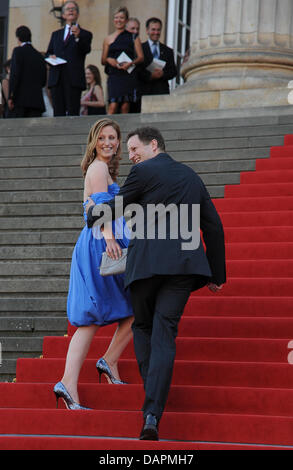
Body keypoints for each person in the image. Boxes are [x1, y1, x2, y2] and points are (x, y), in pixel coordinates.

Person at [86, 126, 226, 440]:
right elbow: (213, 227)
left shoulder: (143, 173)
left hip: (145, 266)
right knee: (164, 333)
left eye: (134, 150)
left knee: (144, 328)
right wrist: (217, 275)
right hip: (182, 267)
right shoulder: (191, 176)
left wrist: (93, 213)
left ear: (153, 145)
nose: (131, 156)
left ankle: (152, 408)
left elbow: (116, 208)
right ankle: (152, 411)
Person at [53, 118, 134, 410]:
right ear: (94, 141)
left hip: (100, 241)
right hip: (102, 243)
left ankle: (107, 362)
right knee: (93, 316)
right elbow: (100, 207)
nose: (108, 142)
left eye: (113, 138)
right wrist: (111, 237)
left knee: (133, 306)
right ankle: (69, 382)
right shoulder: (98, 168)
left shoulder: (102, 169)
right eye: (103, 138)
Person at [46, 1, 92, 116]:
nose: (71, 10)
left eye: (74, 9)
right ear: (63, 15)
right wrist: (50, 56)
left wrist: (78, 37)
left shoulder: (85, 34)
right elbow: (48, 53)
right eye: (68, 9)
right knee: (58, 113)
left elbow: (86, 50)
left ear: (77, 14)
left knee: (72, 112)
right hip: (57, 77)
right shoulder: (55, 34)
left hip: (73, 78)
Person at [101, 6, 143, 114]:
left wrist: (130, 63)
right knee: (113, 106)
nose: (118, 20)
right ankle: (107, 128)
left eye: (121, 18)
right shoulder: (107, 39)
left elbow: (141, 57)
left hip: (127, 75)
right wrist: (109, 60)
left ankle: (123, 130)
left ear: (126, 20)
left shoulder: (134, 37)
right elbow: (103, 60)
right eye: (116, 17)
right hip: (114, 75)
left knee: (125, 106)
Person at [8, 26, 46, 118]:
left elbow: (15, 75)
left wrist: (11, 96)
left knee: (19, 129)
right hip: (37, 101)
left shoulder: (18, 51)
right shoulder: (39, 55)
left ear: (18, 38)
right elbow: (43, 81)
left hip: (20, 101)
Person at [138, 17, 177, 96]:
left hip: (162, 91)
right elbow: (137, 71)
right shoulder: (140, 48)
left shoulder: (168, 51)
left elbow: (173, 71)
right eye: (153, 29)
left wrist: (163, 74)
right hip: (145, 92)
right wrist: (150, 76)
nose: (156, 32)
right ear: (147, 31)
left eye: (158, 30)